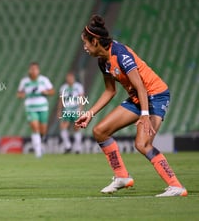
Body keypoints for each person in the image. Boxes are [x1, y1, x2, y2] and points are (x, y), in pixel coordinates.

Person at [75, 14, 187, 197]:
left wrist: (144, 115)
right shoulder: (102, 61)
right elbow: (110, 91)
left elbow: (141, 86)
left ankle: (176, 187)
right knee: (99, 131)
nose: (85, 47)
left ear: (95, 41)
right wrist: (90, 113)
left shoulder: (120, 54)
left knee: (142, 144)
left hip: (155, 96)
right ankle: (122, 177)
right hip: (138, 98)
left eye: (86, 43)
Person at [17, 62, 55, 158]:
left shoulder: (44, 80)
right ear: (29, 70)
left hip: (42, 107)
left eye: (35, 69)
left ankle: (40, 142)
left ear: (38, 70)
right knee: (35, 127)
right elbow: (19, 93)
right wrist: (22, 95)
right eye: (32, 69)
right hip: (30, 107)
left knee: (43, 130)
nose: (33, 71)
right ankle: (38, 152)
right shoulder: (24, 81)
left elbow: (52, 91)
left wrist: (46, 92)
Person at [57, 71, 85, 153]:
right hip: (67, 109)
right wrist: (59, 110)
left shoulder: (78, 87)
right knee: (63, 127)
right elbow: (61, 100)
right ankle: (67, 146)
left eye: (71, 78)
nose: (69, 79)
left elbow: (81, 98)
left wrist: (80, 110)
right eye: (68, 78)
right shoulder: (63, 88)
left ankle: (78, 148)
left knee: (76, 127)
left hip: (76, 109)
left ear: (73, 78)